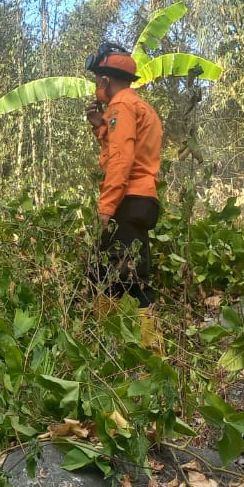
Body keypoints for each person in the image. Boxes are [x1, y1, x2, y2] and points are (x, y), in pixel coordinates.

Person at [83, 43, 163, 346]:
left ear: (105, 80)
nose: (96, 86)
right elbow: (127, 149)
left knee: (129, 281)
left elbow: (121, 160)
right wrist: (101, 129)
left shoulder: (121, 106)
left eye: (97, 79)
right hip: (141, 200)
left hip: (126, 202)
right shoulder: (140, 106)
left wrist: (105, 208)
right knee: (103, 275)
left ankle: (149, 355)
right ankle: (110, 346)